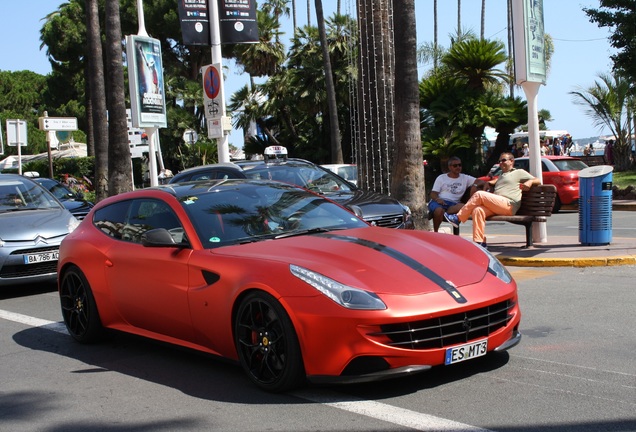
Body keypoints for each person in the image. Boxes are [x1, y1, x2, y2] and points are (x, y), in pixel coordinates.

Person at [444, 152, 540, 248]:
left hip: (509, 204)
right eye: (499, 161)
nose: (501, 163)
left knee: (479, 194)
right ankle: (479, 242)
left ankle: (458, 218)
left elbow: (538, 180)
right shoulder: (502, 175)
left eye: (503, 160)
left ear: (511, 161)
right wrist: (489, 183)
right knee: (478, 210)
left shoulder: (519, 172)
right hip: (498, 206)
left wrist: (530, 182)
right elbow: (498, 181)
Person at [428, 157, 485, 232]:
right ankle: (436, 232)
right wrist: (438, 199)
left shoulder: (465, 178)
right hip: (439, 201)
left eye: (459, 165)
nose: (458, 167)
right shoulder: (441, 178)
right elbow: (433, 193)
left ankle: (445, 213)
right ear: (449, 167)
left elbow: (481, 181)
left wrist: (475, 186)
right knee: (439, 210)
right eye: (455, 165)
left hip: (453, 205)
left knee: (463, 206)